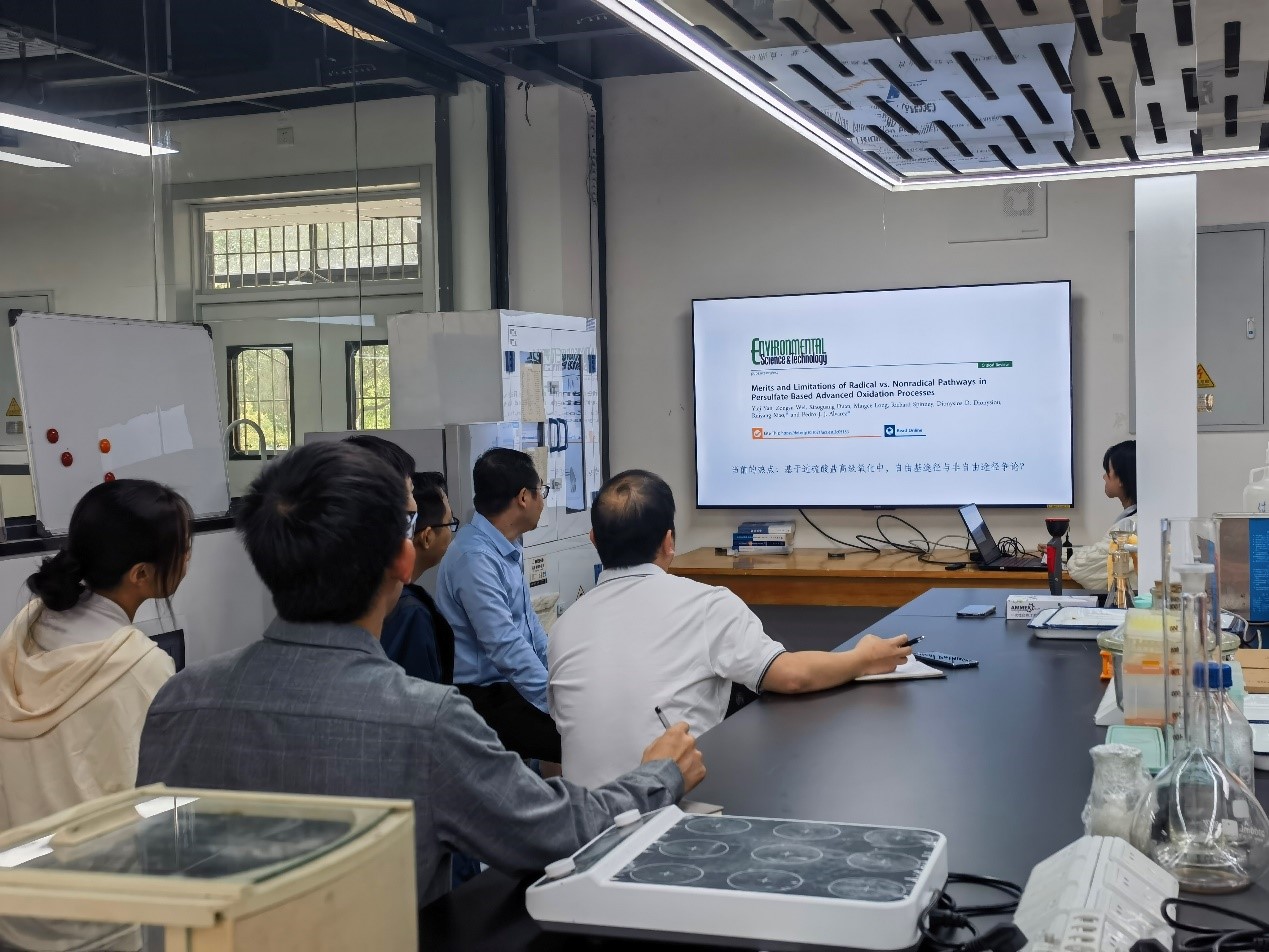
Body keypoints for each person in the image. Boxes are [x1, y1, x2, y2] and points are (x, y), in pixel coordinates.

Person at [136, 442, 704, 907]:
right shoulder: (425, 720)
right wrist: (658, 775)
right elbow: (557, 835)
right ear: (405, 560)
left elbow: (158, 870)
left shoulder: (179, 701)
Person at [549, 470, 913, 788]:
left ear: (593, 539)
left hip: (585, 824)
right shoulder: (705, 604)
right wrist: (864, 658)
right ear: (669, 541)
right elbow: (791, 677)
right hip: (667, 816)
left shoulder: (563, 628)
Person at [0, 479, 193, 831]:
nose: (187, 557)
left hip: (17, 851)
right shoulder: (142, 667)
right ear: (140, 574)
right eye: (182, 549)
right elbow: (160, 793)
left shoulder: (26, 627)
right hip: (96, 856)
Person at [436, 447, 561, 762]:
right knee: (577, 734)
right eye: (541, 491)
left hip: (509, 686)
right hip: (482, 697)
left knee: (581, 720)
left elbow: (530, 627)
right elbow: (504, 644)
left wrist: (558, 678)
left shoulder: (504, 544)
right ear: (524, 497)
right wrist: (554, 702)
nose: (543, 501)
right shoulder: (475, 558)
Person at [382, 471, 458, 685]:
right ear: (427, 537)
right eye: (449, 523)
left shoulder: (387, 595)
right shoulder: (410, 612)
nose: (452, 532)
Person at [1067, 440, 1137, 595]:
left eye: (1108, 471)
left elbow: (1081, 569)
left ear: (1121, 479)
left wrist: (1072, 557)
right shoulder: (1139, 519)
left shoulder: (1129, 527)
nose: (1104, 477)